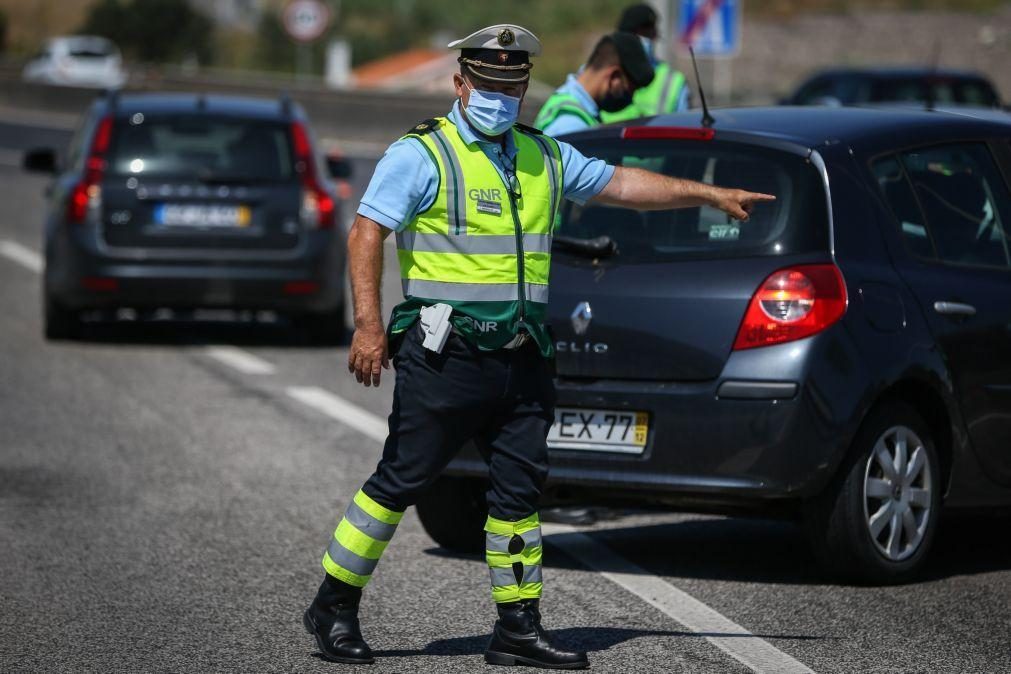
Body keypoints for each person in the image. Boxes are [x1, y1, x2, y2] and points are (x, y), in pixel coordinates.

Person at [303, 23, 774, 670]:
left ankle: (516, 628)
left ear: (525, 86)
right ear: (459, 82)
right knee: (401, 480)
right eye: (487, 83)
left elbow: (622, 185)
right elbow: (366, 233)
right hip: (447, 355)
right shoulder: (423, 153)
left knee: (519, 494)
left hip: (522, 355)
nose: (499, 95)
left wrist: (707, 194)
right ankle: (334, 604)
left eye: (511, 84)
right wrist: (368, 325)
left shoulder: (543, 154)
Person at [533, 31, 653, 137]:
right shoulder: (571, 124)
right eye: (630, 90)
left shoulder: (576, 108)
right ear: (614, 77)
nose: (631, 99)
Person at [600, 3, 692, 123]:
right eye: (636, 36)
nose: (643, 42)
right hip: (605, 140)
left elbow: (684, 127)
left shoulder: (673, 81)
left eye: (648, 35)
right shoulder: (603, 71)